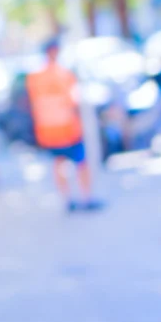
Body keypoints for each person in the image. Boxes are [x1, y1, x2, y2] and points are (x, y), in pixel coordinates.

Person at [26, 39, 102, 212]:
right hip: (67, 128)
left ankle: (67, 200)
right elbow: (73, 100)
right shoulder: (64, 74)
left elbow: (34, 103)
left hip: (47, 131)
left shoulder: (35, 78)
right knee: (81, 163)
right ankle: (86, 198)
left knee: (59, 163)